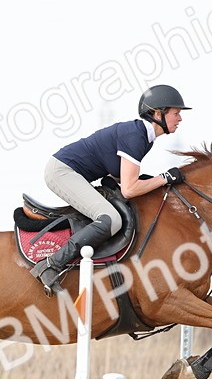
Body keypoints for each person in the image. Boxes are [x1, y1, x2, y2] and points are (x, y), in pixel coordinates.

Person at [30, 84, 191, 295]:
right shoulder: (136, 135)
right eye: (176, 113)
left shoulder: (143, 137)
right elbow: (130, 189)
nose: (180, 119)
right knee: (110, 219)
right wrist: (164, 178)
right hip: (62, 172)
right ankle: (51, 264)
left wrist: (159, 181)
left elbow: (121, 179)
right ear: (158, 113)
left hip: (70, 171)